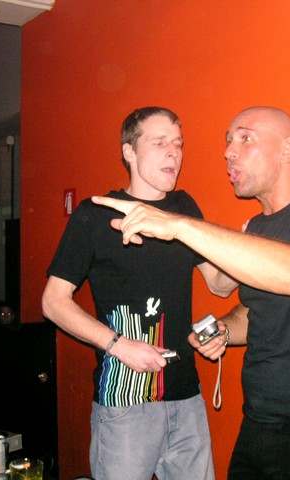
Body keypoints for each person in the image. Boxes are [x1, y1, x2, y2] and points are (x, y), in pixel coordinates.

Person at [92, 106, 290, 479]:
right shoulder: (257, 228)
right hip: (258, 421)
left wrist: (178, 225)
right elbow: (254, 311)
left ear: (288, 149)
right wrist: (223, 329)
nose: (228, 152)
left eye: (245, 138)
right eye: (228, 141)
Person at [41, 106, 236, 480]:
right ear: (128, 151)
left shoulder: (183, 208)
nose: (173, 153)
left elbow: (219, 283)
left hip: (187, 396)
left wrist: (241, 246)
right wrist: (119, 345)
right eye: (160, 142)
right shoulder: (95, 214)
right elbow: (53, 302)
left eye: (178, 144)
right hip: (125, 402)